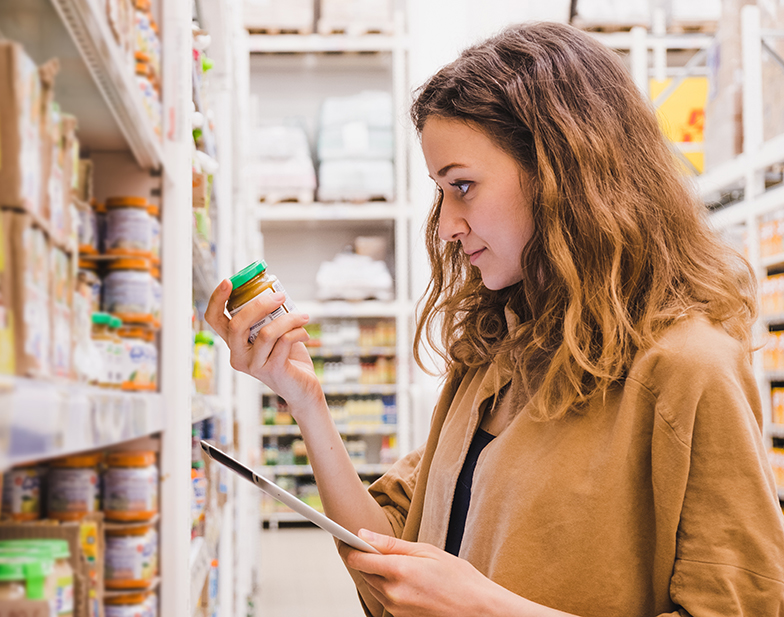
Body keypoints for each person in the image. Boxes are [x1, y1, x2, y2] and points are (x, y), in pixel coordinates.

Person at [206, 20, 784, 617]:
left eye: (463, 186)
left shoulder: (688, 371)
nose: (447, 225)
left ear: (564, 172)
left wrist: (484, 608)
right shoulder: (494, 356)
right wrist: (305, 401)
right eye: (440, 191)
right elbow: (390, 559)